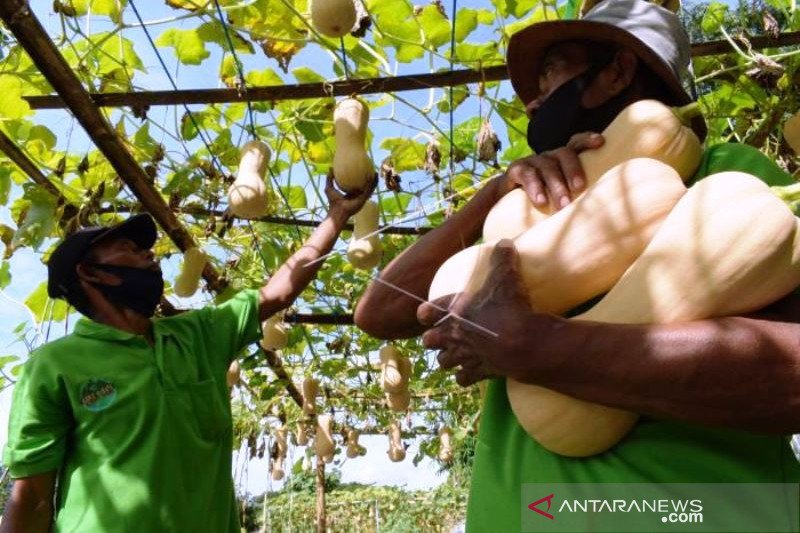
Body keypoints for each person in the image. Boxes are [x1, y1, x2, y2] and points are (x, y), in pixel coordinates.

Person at [355, 0, 800, 531]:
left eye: (552, 70)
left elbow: (790, 374)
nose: (533, 98)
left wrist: (543, 348)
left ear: (617, 71)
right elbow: (381, 311)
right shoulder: (532, 204)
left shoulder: (727, 176)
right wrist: (495, 193)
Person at [1, 175, 375, 532]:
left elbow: (277, 293)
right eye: (130, 249)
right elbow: (32, 497)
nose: (149, 254)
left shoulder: (198, 335)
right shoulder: (52, 366)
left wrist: (337, 216)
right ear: (92, 273)